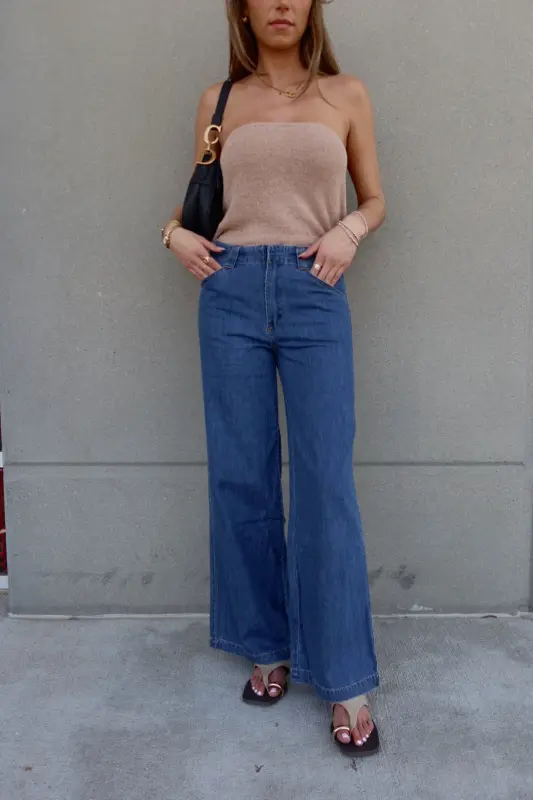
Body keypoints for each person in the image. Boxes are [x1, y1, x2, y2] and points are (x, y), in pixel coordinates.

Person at [162, 0, 386, 756]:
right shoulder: (218, 100)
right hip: (228, 291)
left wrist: (349, 229)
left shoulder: (345, 93)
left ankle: (345, 675)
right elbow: (199, 201)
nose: (281, 3)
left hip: (314, 287)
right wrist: (172, 234)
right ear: (244, 10)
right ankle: (265, 644)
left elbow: (375, 198)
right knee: (241, 476)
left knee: (325, 483)